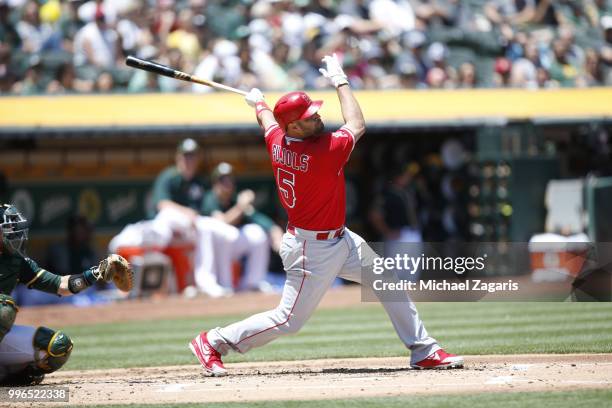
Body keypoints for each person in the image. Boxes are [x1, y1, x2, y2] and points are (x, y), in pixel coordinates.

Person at [188, 54, 464, 376]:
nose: (317, 117)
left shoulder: (278, 140)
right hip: (311, 250)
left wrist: (259, 105)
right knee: (288, 321)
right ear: (293, 126)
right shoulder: (322, 151)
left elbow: (268, 123)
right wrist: (340, 80)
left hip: (340, 239)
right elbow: (357, 124)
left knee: (387, 281)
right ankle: (213, 341)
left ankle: (423, 350)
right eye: (308, 116)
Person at [0, 204, 123, 385]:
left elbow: (61, 285)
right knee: (4, 308)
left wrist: (96, 273)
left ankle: (6, 379)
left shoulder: (16, 262)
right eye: (8, 230)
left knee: (58, 346)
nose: (15, 235)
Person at [149, 138, 240, 297]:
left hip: (191, 225)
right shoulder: (169, 176)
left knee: (225, 233)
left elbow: (204, 209)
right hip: (166, 224)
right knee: (199, 227)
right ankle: (205, 282)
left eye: (192, 156)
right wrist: (187, 212)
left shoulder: (199, 182)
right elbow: (162, 204)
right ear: (178, 157)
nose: (189, 160)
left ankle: (223, 283)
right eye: (186, 155)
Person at [202, 162, 283, 291]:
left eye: (230, 179)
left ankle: (253, 283)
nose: (227, 183)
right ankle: (223, 285)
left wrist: (273, 229)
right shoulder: (209, 198)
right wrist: (241, 205)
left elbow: (256, 217)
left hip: (232, 245)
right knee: (225, 234)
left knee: (257, 234)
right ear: (215, 183)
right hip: (210, 249)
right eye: (223, 180)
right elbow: (221, 222)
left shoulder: (234, 200)